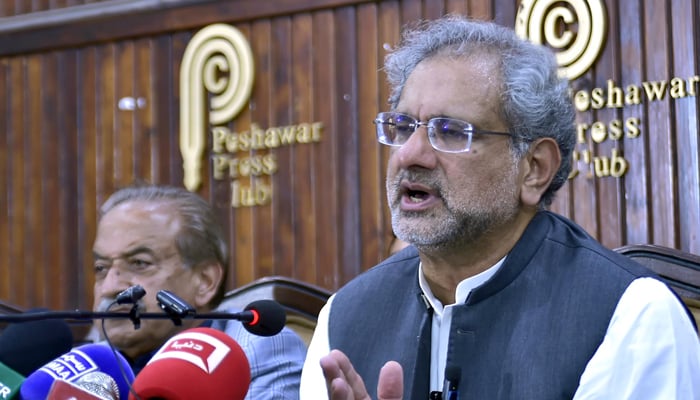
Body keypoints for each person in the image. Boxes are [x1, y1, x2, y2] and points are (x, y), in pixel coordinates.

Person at [300, 15, 700, 400]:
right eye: (403, 126)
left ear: (534, 169)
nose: (410, 154)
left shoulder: (630, 317)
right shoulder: (345, 317)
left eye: (451, 131)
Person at [92, 183, 307, 399]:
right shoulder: (86, 366)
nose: (110, 287)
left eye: (139, 263)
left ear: (205, 281)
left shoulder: (256, 349)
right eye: (101, 268)